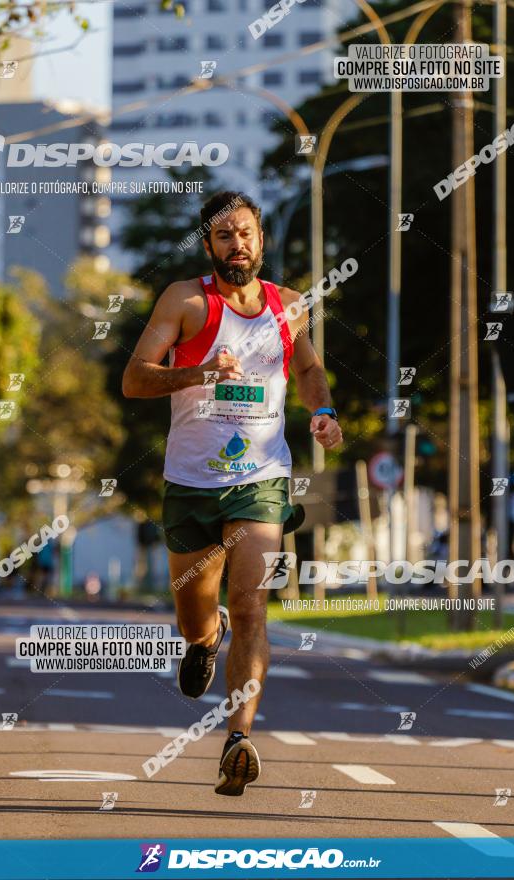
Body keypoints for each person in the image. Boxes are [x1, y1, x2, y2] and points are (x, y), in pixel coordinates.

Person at [123, 191, 343, 796]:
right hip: (191, 484)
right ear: (209, 245)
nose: (236, 244)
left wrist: (322, 410)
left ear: (261, 240)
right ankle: (203, 638)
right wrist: (198, 372)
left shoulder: (289, 307)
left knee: (252, 606)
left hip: (262, 480)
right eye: (224, 235)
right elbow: (135, 378)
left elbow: (307, 370)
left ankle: (237, 738)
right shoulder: (185, 301)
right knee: (197, 613)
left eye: (245, 233)